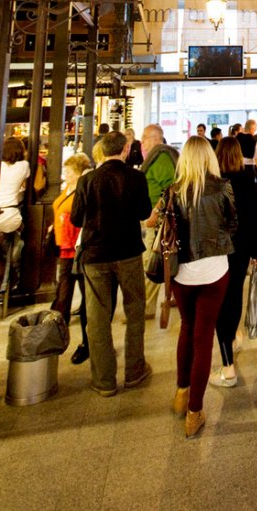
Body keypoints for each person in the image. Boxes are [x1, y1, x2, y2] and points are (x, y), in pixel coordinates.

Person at [70, 131, 153, 397]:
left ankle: (104, 379)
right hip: (128, 251)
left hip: (95, 255)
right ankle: (135, 370)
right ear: (126, 150)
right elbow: (144, 213)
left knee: (97, 318)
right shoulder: (136, 177)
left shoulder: (87, 180)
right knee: (135, 311)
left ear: (101, 152)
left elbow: (76, 218)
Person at [168, 136, 237, 438]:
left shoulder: (174, 191)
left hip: (182, 272)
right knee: (204, 337)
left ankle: (182, 392)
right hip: (214, 270)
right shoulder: (222, 187)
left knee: (187, 328)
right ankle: (194, 410)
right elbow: (233, 224)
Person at [210, 137, 257, 387]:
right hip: (241, 249)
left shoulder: (214, 181)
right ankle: (232, 337)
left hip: (219, 250)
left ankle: (227, 362)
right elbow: (254, 218)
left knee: (221, 300)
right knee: (236, 294)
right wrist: (256, 252)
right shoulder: (247, 179)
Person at [51, 152, 91, 363]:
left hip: (79, 250)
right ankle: (56, 336)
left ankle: (87, 341)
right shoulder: (67, 189)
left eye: (68, 171)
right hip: (64, 249)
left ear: (78, 173)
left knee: (86, 297)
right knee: (62, 294)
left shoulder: (83, 192)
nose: (65, 174)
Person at [140, 124, 179, 318]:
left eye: (145, 137)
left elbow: (171, 188)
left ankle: (147, 307)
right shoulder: (159, 157)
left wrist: (155, 212)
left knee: (151, 260)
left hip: (158, 222)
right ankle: (171, 297)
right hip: (156, 218)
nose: (142, 141)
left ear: (155, 138)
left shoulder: (161, 159)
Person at [0, 137, 31, 293]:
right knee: (20, 238)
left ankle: (3, 277)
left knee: (2, 248)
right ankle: (10, 276)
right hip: (11, 216)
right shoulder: (23, 166)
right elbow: (26, 184)